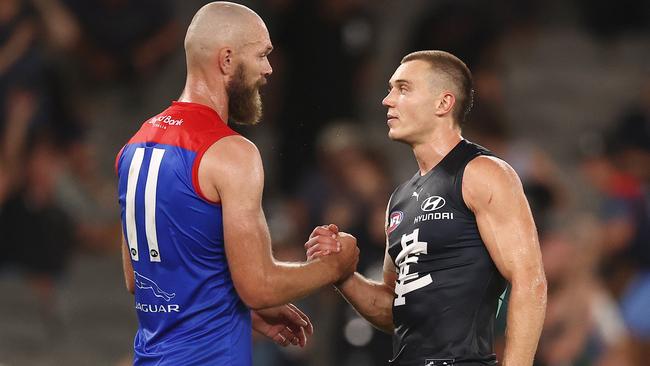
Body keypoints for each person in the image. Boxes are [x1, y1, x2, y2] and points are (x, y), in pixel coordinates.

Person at [115, 2, 359, 365]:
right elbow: (259, 285)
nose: (268, 69)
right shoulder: (231, 152)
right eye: (261, 55)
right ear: (227, 60)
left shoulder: (134, 145)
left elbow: (140, 277)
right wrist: (335, 267)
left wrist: (239, 309)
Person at [306, 50, 547, 365]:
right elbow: (394, 309)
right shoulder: (400, 199)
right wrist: (343, 275)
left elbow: (529, 280)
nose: (387, 100)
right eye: (391, 88)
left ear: (443, 103)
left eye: (403, 88)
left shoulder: (482, 172)